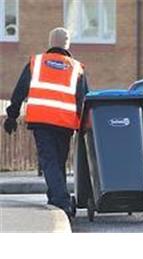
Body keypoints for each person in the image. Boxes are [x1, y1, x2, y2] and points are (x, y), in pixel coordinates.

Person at [3, 27, 89, 219]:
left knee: (50, 162)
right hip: (65, 124)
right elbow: (83, 100)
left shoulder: (37, 63)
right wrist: (84, 127)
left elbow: (20, 90)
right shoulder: (76, 68)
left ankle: (59, 200)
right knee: (57, 163)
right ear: (67, 45)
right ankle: (59, 199)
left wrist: (12, 115)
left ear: (51, 43)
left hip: (42, 121)